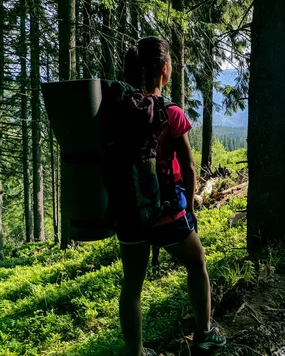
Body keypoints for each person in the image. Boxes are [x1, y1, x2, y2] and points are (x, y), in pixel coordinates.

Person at [116, 36, 226, 356]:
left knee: (132, 287)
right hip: (166, 213)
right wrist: (189, 209)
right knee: (197, 261)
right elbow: (190, 168)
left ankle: (136, 353)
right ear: (164, 69)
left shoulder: (119, 110)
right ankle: (204, 334)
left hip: (130, 212)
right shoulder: (171, 112)